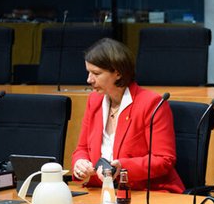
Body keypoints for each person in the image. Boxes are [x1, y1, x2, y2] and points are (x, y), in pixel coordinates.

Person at [72, 38, 184, 193]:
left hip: (145, 192)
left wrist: (123, 168)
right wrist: (80, 162)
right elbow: (82, 148)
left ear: (117, 73)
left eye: (96, 73)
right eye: (88, 72)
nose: (89, 80)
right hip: (101, 190)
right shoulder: (94, 100)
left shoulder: (151, 103)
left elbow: (164, 160)